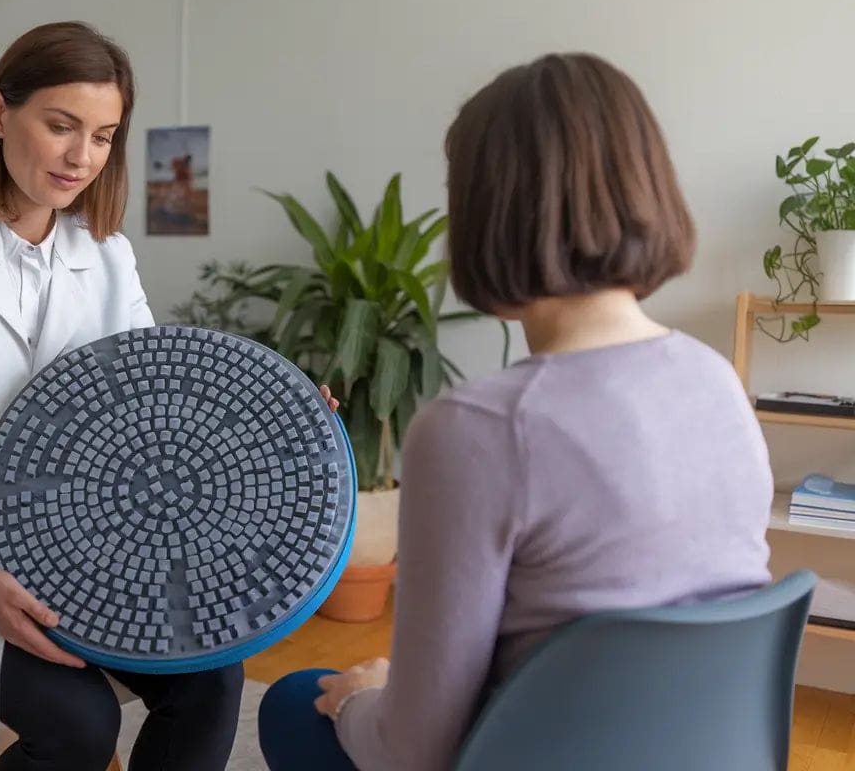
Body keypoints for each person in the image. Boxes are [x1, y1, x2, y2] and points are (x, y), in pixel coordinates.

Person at [0, 21, 340, 771]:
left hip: (85, 556)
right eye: (61, 126)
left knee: (212, 680)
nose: (82, 156)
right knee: (80, 723)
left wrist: (277, 417)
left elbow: (159, 402)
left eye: (103, 136)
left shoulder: (106, 253)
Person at [258, 52, 773, 770]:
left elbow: (413, 754)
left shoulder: (479, 430)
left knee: (296, 699)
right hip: (700, 753)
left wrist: (362, 699)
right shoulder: (718, 381)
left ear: (487, 214)